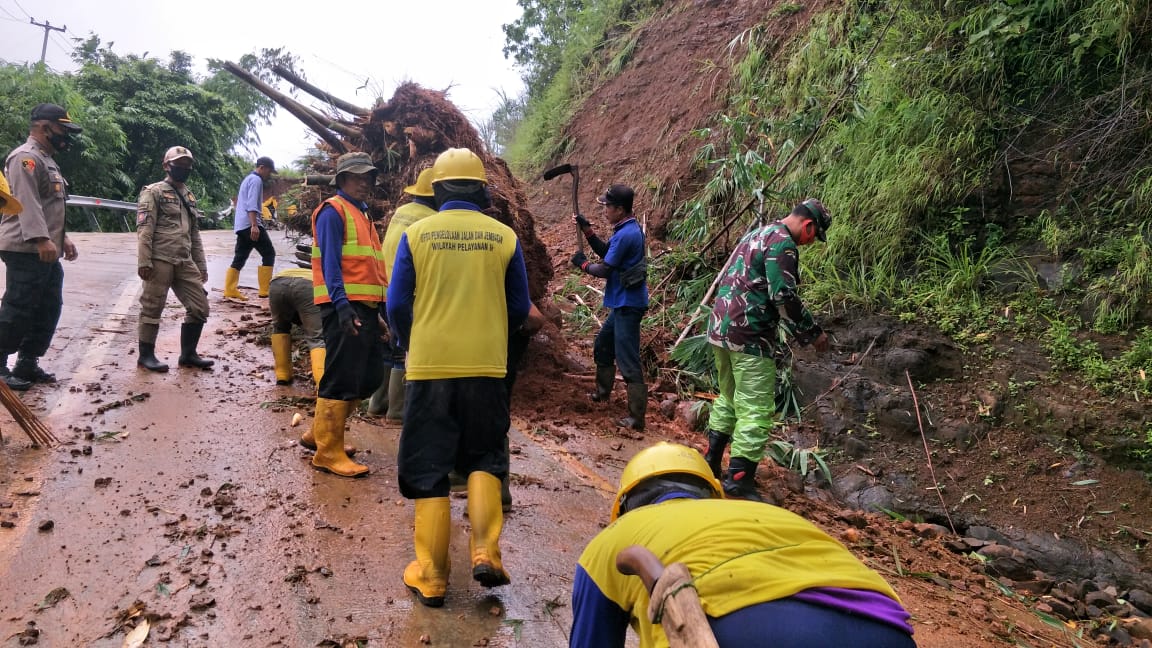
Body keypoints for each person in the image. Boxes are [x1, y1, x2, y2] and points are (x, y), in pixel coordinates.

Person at [569, 442, 916, 648]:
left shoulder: (614, 540)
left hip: (741, 633)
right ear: (711, 493)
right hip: (885, 630)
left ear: (624, 506)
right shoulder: (766, 514)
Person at [387, 147, 531, 607]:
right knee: (485, 456)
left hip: (430, 367)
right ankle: (486, 552)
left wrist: (413, 341)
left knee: (429, 466)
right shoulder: (505, 237)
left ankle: (431, 577)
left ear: (437, 189)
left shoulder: (417, 233)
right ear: (483, 189)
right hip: (487, 366)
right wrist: (489, 335)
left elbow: (395, 303)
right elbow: (517, 307)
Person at [703, 199, 832, 500]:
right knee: (756, 408)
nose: (810, 243)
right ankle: (738, 481)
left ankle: (710, 462)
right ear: (809, 226)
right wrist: (813, 334)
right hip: (750, 334)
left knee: (729, 397)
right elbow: (783, 296)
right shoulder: (784, 244)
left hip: (721, 327)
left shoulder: (756, 234)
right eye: (814, 236)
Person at [304, 151, 388, 478]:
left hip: (362, 308)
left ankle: (319, 433)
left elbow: (368, 270)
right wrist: (341, 307)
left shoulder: (361, 214)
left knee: (368, 377)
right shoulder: (333, 211)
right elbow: (331, 265)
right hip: (344, 308)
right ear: (341, 180)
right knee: (341, 378)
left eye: (368, 176)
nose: (364, 182)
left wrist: (377, 313)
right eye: (357, 177)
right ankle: (328, 451)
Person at [0, 103, 83, 389]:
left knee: (48, 306)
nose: (66, 136)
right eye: (63, 129)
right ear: (45, 127)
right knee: (19, 306)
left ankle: (27, 362)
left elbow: (49, 206)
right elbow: (27, 202)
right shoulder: (25, 158)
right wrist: (41, 238)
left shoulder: (47, 159)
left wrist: (63, 238)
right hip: (25, 247)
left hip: (44, 247)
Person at [570, 184, 649, 430]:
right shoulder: (624, 229)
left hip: (629, 304)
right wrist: (588, 232)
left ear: (620, 209)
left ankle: (636, 418)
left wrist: (583, 265)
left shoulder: (627, 234)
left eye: (607, 207)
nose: (604, 210)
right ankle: (603, 393)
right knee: (603, 345)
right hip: (622, 303)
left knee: (627, 359)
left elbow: (605, 268)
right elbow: (608, 252)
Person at [134, 146, 214, 372]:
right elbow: (145, 229)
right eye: (179, 164)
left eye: (187, 165)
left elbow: (194, 235)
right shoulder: (154, 192)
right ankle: (146, 356)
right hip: (160, 259)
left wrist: (201, 266)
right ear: (166, 166)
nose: (184, 169)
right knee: (152, 307)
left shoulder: (189, 195)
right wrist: (144, 261)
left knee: (199, 307)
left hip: (184, 260)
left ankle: (188, 354)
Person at [366, 167, 436, 420]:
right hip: (404, 292)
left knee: (386, 349)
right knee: (401, 349)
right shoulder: (431, 220)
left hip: (381, 287)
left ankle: (376, 404)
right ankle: (397, 412)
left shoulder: (402, 211)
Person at [224, 156, 277, 301]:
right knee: (269, 254)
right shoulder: (256, 180)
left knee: (240, 257)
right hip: (250, 224)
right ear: (262, 167)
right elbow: (252, 204)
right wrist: (254, 225)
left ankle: (230, 289)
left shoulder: (248, 179)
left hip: (241, 225)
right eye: (269, 171)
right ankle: (265, 290)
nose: (269, 175)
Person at [268, 267, 324, 387]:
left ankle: (282, 374)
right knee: (317, 338)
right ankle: (323, 385)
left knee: (280, 327)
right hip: (308, 286)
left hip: (277, 282)